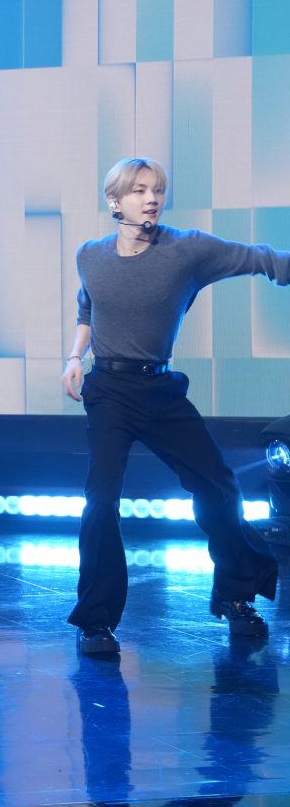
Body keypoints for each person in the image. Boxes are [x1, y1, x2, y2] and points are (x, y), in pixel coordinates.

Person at [62, 157, 280, 656]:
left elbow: (258, 258)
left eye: (157, 190)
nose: (152, 199)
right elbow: (88, 304)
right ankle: (95, 621)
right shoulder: (90, 255)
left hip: (159, 390)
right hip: (109, 390)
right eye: (139, 190)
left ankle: (235, 596)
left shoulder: (186, 249)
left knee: (218, 487)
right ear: (115, 201)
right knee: (101, 500)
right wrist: (75, 357)